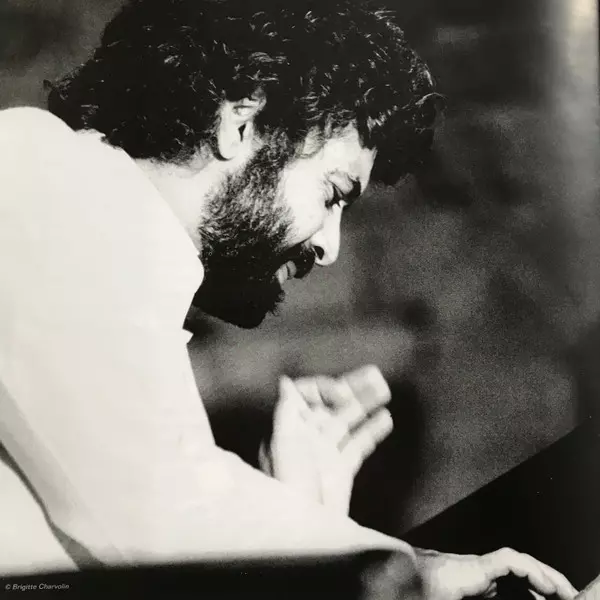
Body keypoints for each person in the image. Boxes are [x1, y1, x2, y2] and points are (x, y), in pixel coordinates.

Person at [0, 1, 578, 598]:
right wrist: (409, 568)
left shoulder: (100, 239)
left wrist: (299, 510)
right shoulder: (49, 175)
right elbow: (161, 509)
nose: (329, 247)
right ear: (239, 121)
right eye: (333, 194)